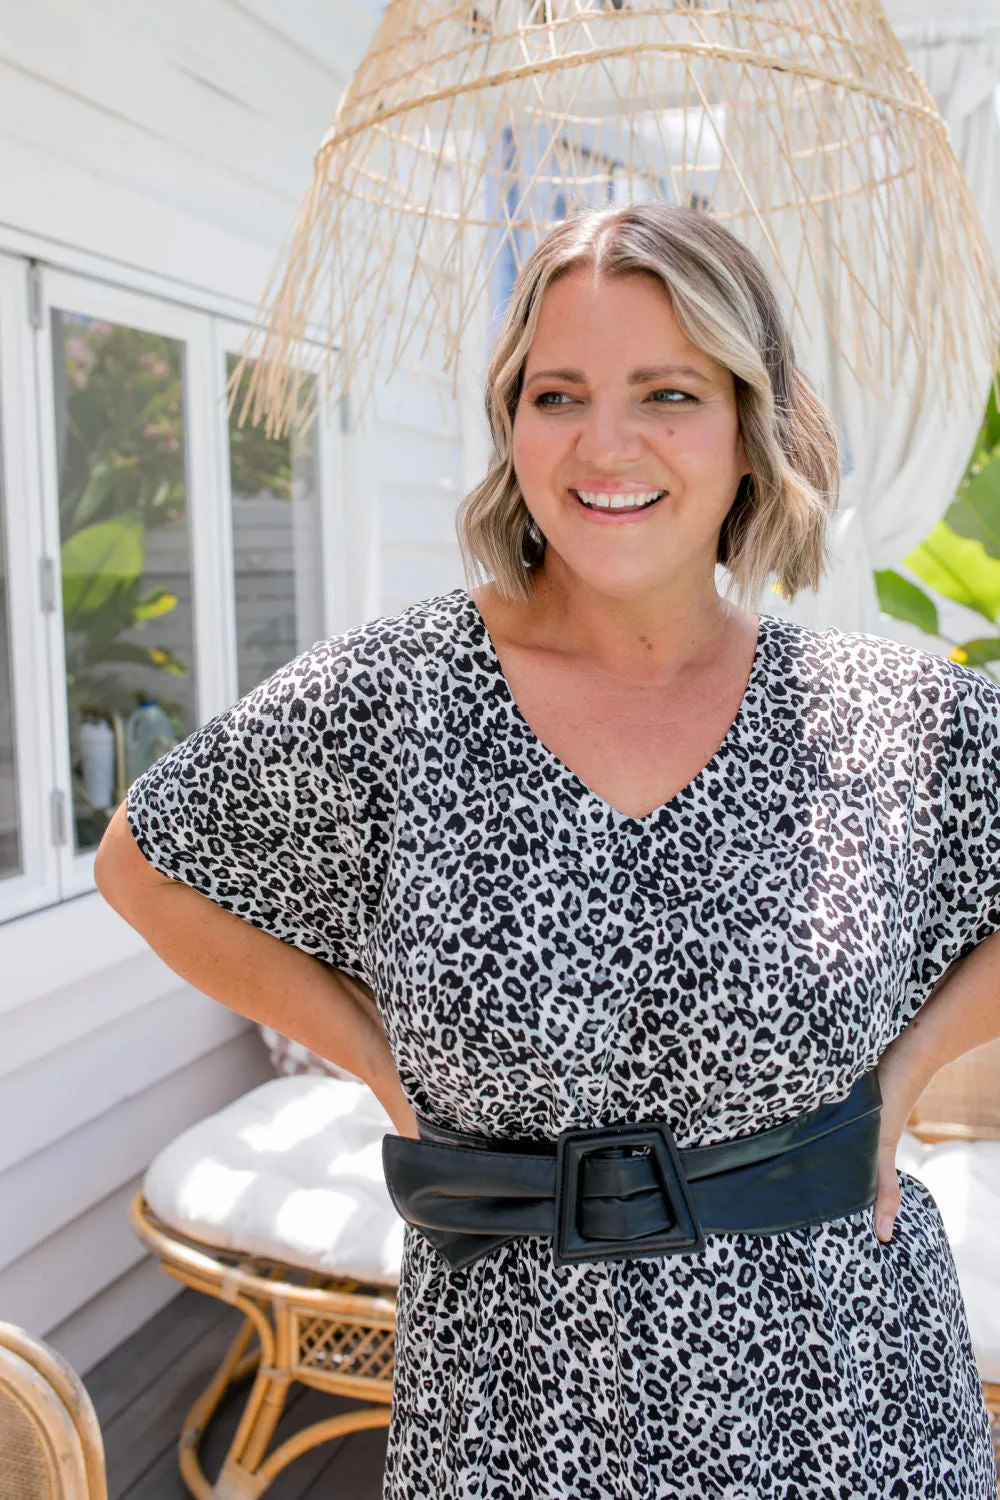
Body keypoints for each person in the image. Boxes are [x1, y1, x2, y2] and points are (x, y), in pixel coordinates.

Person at [95, 202, 1000, 1498]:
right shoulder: (397, 694)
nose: (605, 442)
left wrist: (913, 1063)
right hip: (515, 1402)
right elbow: (146, 860)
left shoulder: (876, 714)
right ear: (510, 425)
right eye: (557, 392)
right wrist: (370, 1055)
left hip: (839, 1402)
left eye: (667, 392)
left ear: (751, 428)